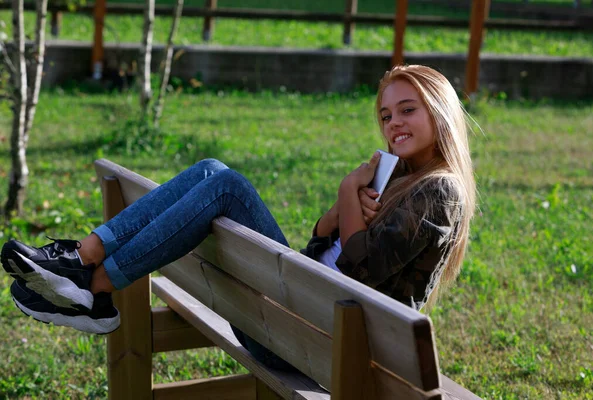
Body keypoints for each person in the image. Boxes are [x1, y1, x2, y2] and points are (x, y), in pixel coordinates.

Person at [1, 64, 475, 370]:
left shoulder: (440, 191)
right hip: (300, 327)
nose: (394, 124)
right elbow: (321, 251)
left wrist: (348, 191)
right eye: (387, 115)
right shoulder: (399, 178)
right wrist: (336, 214)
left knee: (225, 184)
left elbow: (359, 270)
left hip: (320, 348)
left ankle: (95, 287)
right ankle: (82, 261)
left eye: (407, 110)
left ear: (441, 113)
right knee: (211, 169)